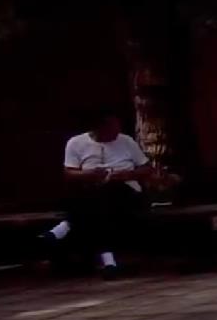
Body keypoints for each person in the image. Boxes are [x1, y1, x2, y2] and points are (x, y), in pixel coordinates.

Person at [59, 110, 162, 275]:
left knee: (105, 195)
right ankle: (109, 261)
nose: (116, 133)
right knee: (99, 205)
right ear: (98, 129)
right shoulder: (76, 143)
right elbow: (69, 172)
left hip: (125, 190)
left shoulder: (126, 141)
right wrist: (91, 174)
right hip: (93, 192)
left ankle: (69, 223)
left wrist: (127, 174)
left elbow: (146, 168)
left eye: (117, 127)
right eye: (111, 129)